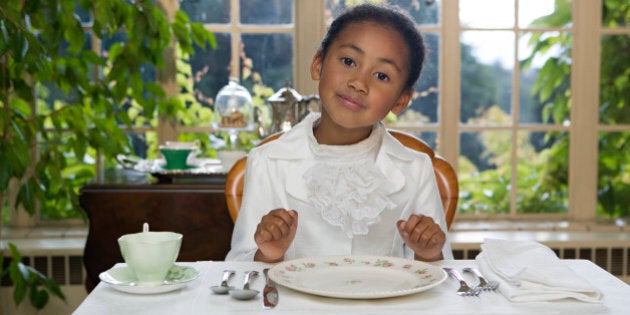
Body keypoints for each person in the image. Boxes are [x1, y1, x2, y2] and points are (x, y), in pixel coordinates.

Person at [226, 3, 453, 263]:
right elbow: (239, 269)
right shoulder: (268, 161)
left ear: (401, 100)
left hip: (386, 304)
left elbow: (442, 276)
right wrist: (268, 253)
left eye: (381, 75)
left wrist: (428, 253)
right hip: (295, 305)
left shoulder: (416, 168)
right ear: (318, 64)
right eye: (348, 61)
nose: (358, 83)